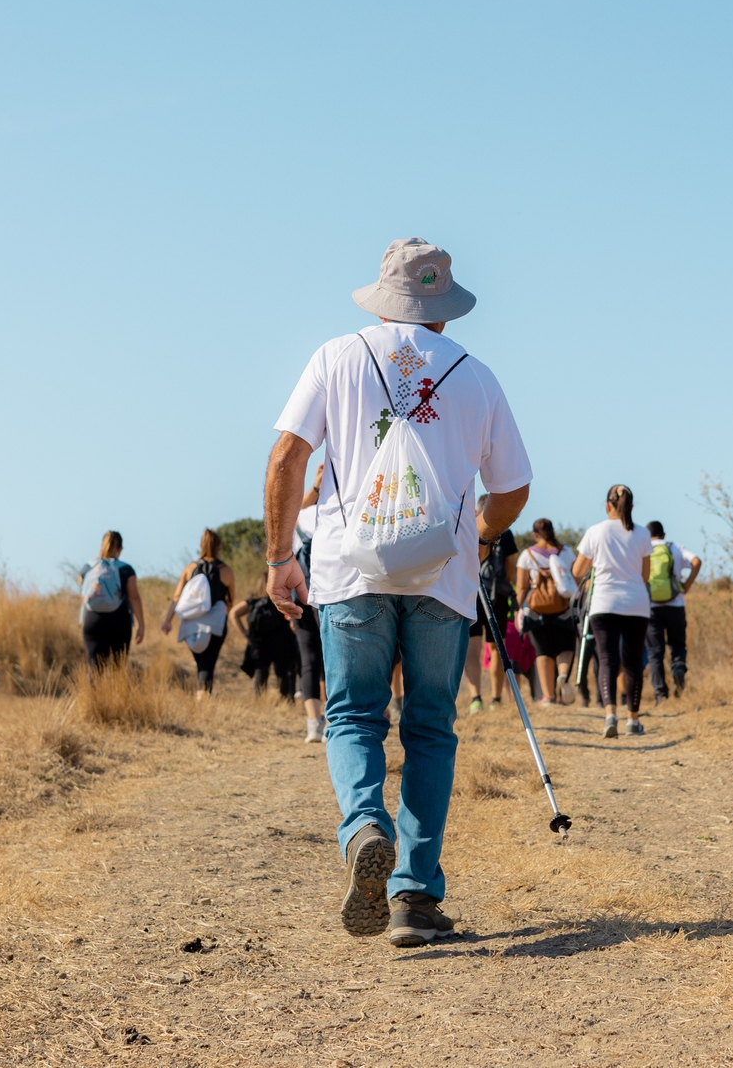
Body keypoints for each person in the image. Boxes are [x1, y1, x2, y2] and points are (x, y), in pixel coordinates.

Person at [262, 237, 531, 948]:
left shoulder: (336, 356)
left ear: (384, 299)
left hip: (352, 571)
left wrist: (280, 556)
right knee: (430, 727)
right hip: (441, 578)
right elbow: (513, 490)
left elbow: (289, 454)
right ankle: (413, 895)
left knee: (353, 715)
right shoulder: (476, 376)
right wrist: (477, 534)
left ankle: (362, 828)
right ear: (443, 308)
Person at [573, 485, 652, 738]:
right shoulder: (642, 534)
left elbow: (577, 571)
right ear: (631, 507)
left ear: (607, 505)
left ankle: (610, 716)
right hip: (636, 605)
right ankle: (633, 720)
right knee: (632, 663)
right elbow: (645, 575)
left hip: (604, 604)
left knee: (607, 660)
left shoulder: (595, 531)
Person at [161, 529, 236, 694]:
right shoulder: (226, 571)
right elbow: (231, 600)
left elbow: (177, 596)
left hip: (191, 624)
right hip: (215, 624)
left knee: (201, 663)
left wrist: (168, 620)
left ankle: (201, 695)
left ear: (200, 546)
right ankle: (203, 698)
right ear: (219, 546)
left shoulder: (190, 569)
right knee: (208, 664)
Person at [515, 518, 578, 705]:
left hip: (537, 611)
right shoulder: (566, 552)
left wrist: (519, 608)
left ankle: (548, 696)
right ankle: (564, 676)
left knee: (543, 651)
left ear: (535, 534)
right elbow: (575, 579)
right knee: (565, 647)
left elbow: (521, 587)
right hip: (564, 608)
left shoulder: (527, 555)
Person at [471, 496, 519, 712]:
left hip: (470, 592)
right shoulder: (505, 534)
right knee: (496, 647)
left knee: (472, 647)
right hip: (497, 597)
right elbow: (511, 572)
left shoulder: (468, 527)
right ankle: (496, 699)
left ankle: (475, 699)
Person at [645, 520, 703, 701]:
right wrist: (687, 585)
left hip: (652, 607)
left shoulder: (644, 550)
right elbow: (696, 561)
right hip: (676, 605)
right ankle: (678, 668)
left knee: (655, 652)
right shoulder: (675, 548)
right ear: (663, 534)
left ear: (649, 536)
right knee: (677, 645)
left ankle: (660, 694)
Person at [76, 531, 145, 667]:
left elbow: (82, 594)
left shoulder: (88, 568)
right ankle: (115, 689)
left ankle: (91, 689)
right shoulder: (125, 569)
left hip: (93, 620)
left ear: (101, 545)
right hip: (119, 620)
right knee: (117, 667)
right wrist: (141, 624)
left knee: (94, 667)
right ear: (120, 549)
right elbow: (134, 597)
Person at [292, 469, 327, 741]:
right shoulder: (334, 513)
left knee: (308, 660)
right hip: (327, 592)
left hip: (299, 596)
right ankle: (333, 719)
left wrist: (315, 486)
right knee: (331, 656)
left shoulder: (298, 518)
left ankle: (313, 723)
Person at [233, 573, 301, 702]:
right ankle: (286, 701)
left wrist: (244, 633)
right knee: (283, 674)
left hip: (259, 644)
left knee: (261, 673)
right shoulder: (281, 602)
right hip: (282, 642)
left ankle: (260, 701)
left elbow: (233, 613)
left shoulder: (252, 602)